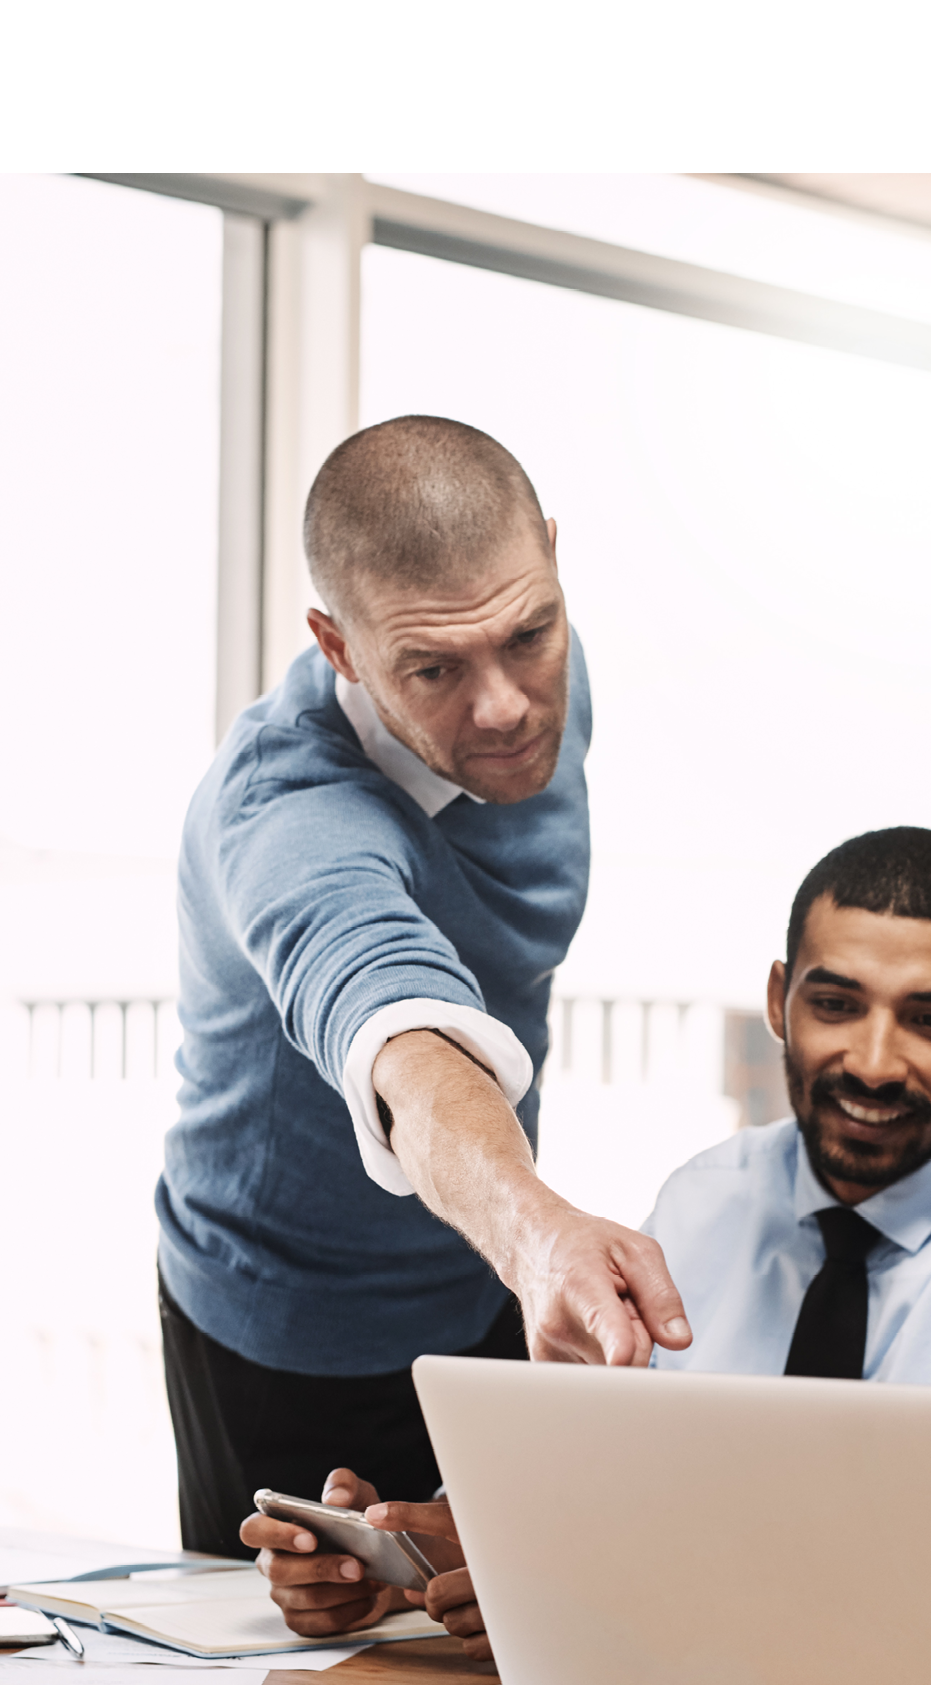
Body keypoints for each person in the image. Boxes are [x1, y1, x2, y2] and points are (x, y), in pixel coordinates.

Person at [246, 828, 931, 1650]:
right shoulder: (709, 1198)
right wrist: (419, 1563)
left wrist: (602, 1583)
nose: (875, 1063)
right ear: (777, 1002)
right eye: (836, 1004)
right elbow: (601, 1479)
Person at [154, 416, 690, 1556]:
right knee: (294, 1682)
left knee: (505, 1645)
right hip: (281, 1321)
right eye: (433, 669)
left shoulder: (530, 664)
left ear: (547, 559)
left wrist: (521, 1246)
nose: (501, 705)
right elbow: (403, 1035)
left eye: (528, 633)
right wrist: (537, 1229)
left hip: (482, 1270)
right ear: (338, 645)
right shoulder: (287, 816)